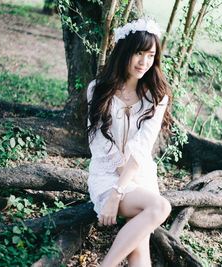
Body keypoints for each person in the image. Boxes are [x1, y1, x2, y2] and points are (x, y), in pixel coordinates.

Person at [86, 18, 173, 267]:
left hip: (139, 174)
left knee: (141, 245)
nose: (144, 62)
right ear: (125, 52)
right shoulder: (98, 89)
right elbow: (100, 144)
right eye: (138, 53)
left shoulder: (156, 96)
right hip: (106, 174)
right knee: (159, 208)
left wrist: (119, 193)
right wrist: (115, 191)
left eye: (150, 55)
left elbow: (143, 148)